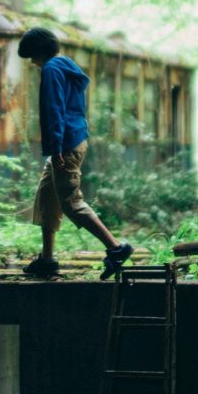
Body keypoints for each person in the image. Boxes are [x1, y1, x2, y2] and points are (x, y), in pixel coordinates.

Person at [18, 27, 133, 280]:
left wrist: (56, 147)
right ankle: (47, 259)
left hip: (66, 144)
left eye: (32, 58)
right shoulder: (66, 64)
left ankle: (116, 248)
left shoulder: (50, 70)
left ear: (38, 53)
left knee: (71, 201)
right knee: (47, 196)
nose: (33, 63)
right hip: (74, 139)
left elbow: (54, 111)